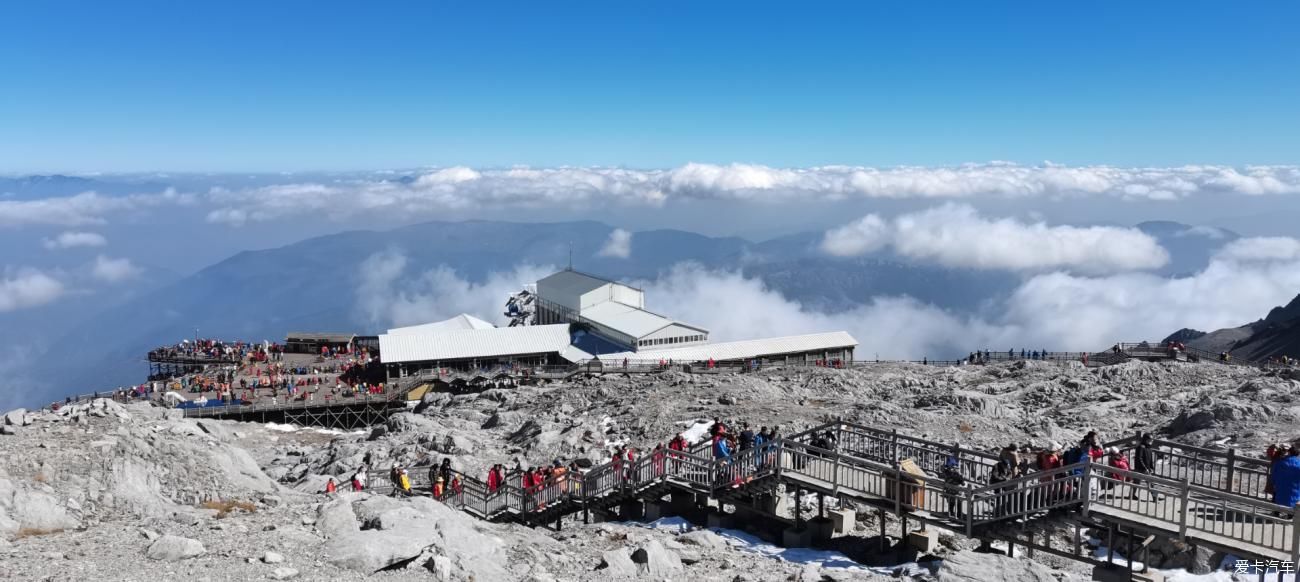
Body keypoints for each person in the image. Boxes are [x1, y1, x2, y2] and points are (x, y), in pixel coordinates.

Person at [1270, 444, 1300, 509]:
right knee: (1292, 504)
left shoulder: (1280, 462)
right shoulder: (1299, 464)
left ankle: (1275, 514)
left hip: (1280, 488)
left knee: (1278, 503)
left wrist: (1273, 483)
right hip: (1295, 490)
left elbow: (1274, 475)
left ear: (1289, 452)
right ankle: (1290, 516)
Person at [1132, 434, 1160, 501]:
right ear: (1146, 440)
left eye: (1151, 440)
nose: (1151, 441)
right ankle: (1155, 498)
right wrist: (1145, 468)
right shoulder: (1141, 447)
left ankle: (1155, 497)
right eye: (1150, 440)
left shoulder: (1149, 448)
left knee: (1148, 483)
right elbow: (1139, 458)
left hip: (1146, 468)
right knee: (1139, 482)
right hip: (1140, 468)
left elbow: (1150, 459)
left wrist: (1151, 468)